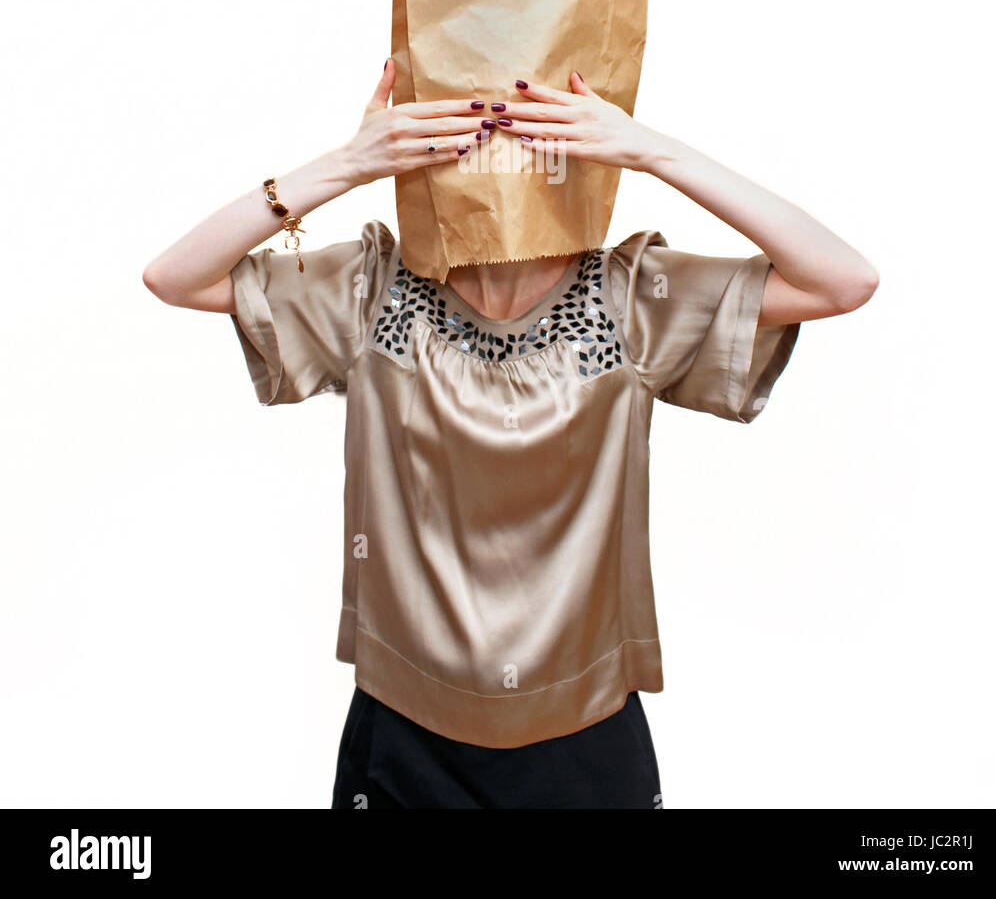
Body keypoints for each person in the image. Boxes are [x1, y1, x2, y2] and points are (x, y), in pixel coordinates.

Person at [142, 61, 879, 809]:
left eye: (529, 128)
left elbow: (840, 281)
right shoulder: (368, 290)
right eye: (464, 130)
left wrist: (655, 151)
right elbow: (176, 278)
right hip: (404, 725)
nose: (495, 152)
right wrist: (346, 164)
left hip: (582, 734)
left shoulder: (632, 299)